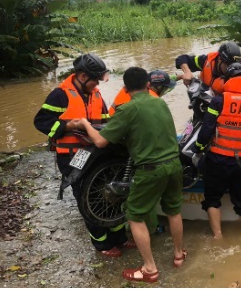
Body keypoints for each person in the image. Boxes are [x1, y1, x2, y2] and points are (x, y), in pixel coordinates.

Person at [79, 67, 187, 283]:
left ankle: (149, 269)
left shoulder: (127, 109)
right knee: (174, 211)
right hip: (174, 164)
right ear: (148, 85)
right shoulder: (160, 102)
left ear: (126, 89)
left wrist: (84, 123)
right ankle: (178, 255)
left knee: (135, 217)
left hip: (150, 170)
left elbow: (100, 141)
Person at [32, 54, 129, 256]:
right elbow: (41, 122)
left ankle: (120, 238)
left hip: (97, 153)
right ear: (83, 76)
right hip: (73, 155)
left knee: (112, 193)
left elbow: (106, 120)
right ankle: (102, 244)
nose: (97, 85)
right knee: (87, 198)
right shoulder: (60, 95)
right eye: (95, 80)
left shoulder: (95, 94)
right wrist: (69, 125)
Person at [194, 63, 241, 238]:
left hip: (217, 159)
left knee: (212, 199)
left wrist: (199, 148)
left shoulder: (219, 101)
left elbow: (207, 129)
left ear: (229, 80)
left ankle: (218, 237)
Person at [176, 41, 241, 96]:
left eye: (233, 64)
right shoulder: (207, 61)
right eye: (227, 65)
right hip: (203, 99)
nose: (230, 68)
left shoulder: (238, 73)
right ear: (219, 59)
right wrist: (187, 72)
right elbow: (182, 58)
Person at [109, 69, 173, 115]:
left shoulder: (131, 87)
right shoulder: (153, 99)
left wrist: (180, 77)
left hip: (111, 120)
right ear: (159, 88)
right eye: (165, 89)